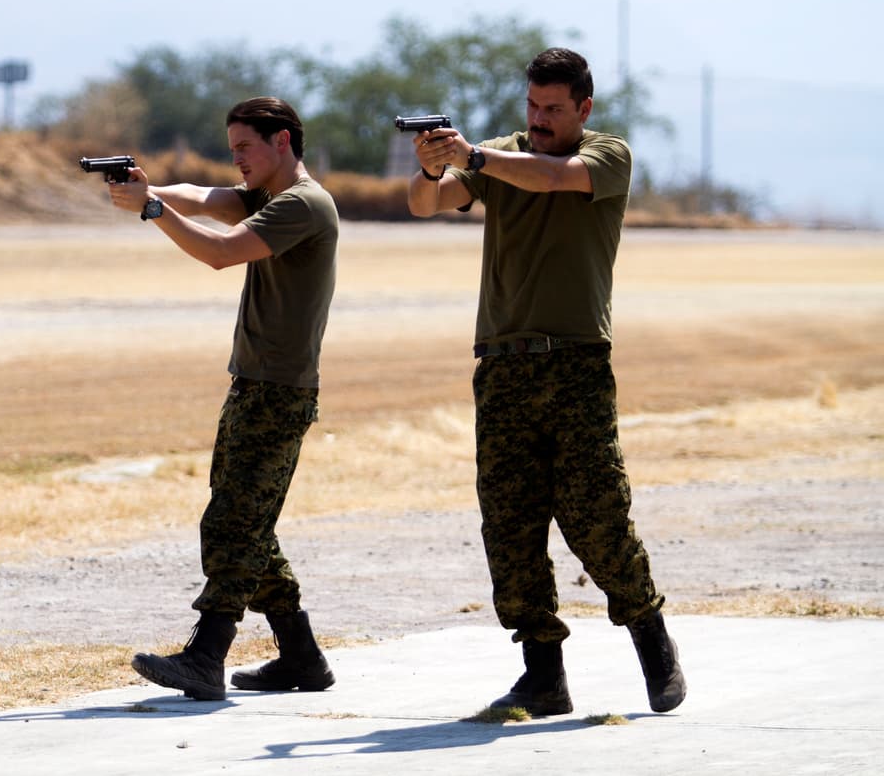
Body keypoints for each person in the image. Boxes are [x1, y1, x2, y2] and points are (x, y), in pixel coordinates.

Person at [406, 48, 686, 716]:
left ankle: (649, 631)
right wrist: (430, 166)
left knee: (596, 515)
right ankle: (543, 671)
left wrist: (473, 157)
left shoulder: (607, 156)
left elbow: (554, 180)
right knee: (510, 523)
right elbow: (425, 204)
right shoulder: (499, 154)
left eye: (553, 109)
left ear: (583, 108)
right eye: (531, 106)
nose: (538, 119)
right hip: (502, 365)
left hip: (576, 363)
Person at [101, 96, 339, 701]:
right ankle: (301, 656)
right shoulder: (268, 196)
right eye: (231, 149)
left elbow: (219, 252)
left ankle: (208, 654)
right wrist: (149, 188)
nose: (236, 160)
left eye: (244, 148)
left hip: (279, 392)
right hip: (254, 385)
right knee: (245, 523)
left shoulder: (303, 205)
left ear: (282, 141)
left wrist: (150, 207)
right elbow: (205, 198)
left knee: (234, 523)